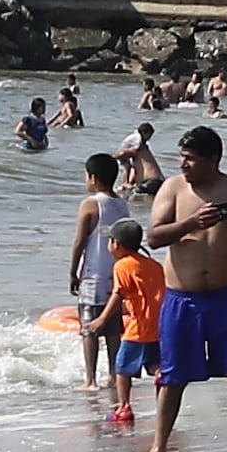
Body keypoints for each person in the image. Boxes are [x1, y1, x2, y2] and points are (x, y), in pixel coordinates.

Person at [138, 125, 227, 452]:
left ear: (213, 160)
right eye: (182, 157)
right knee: (172, 378)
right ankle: (159, 448)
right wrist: (191, 223)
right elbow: (153, 238)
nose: (184, 164)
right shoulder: (172, 189)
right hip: (182, 299)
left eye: (191, 159)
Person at [64, 151, 123, 393]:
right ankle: (113, 375)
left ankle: (90, 379)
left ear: (93, 178)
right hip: (116, 273)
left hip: (93, 274)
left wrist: (72, 272)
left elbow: (80, 241)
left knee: (89, 328)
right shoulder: (121, 204)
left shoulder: (90, 204)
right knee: (113, 329)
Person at [99, 220, 163, 431]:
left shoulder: (122, 265)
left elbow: (117, 295)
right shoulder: (154, 265)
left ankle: (124, 408)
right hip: (159, 326)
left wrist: (102, 319)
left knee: (122, 368)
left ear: (116, 244)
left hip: (138, 326)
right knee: (154, 365)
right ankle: (162, 396)